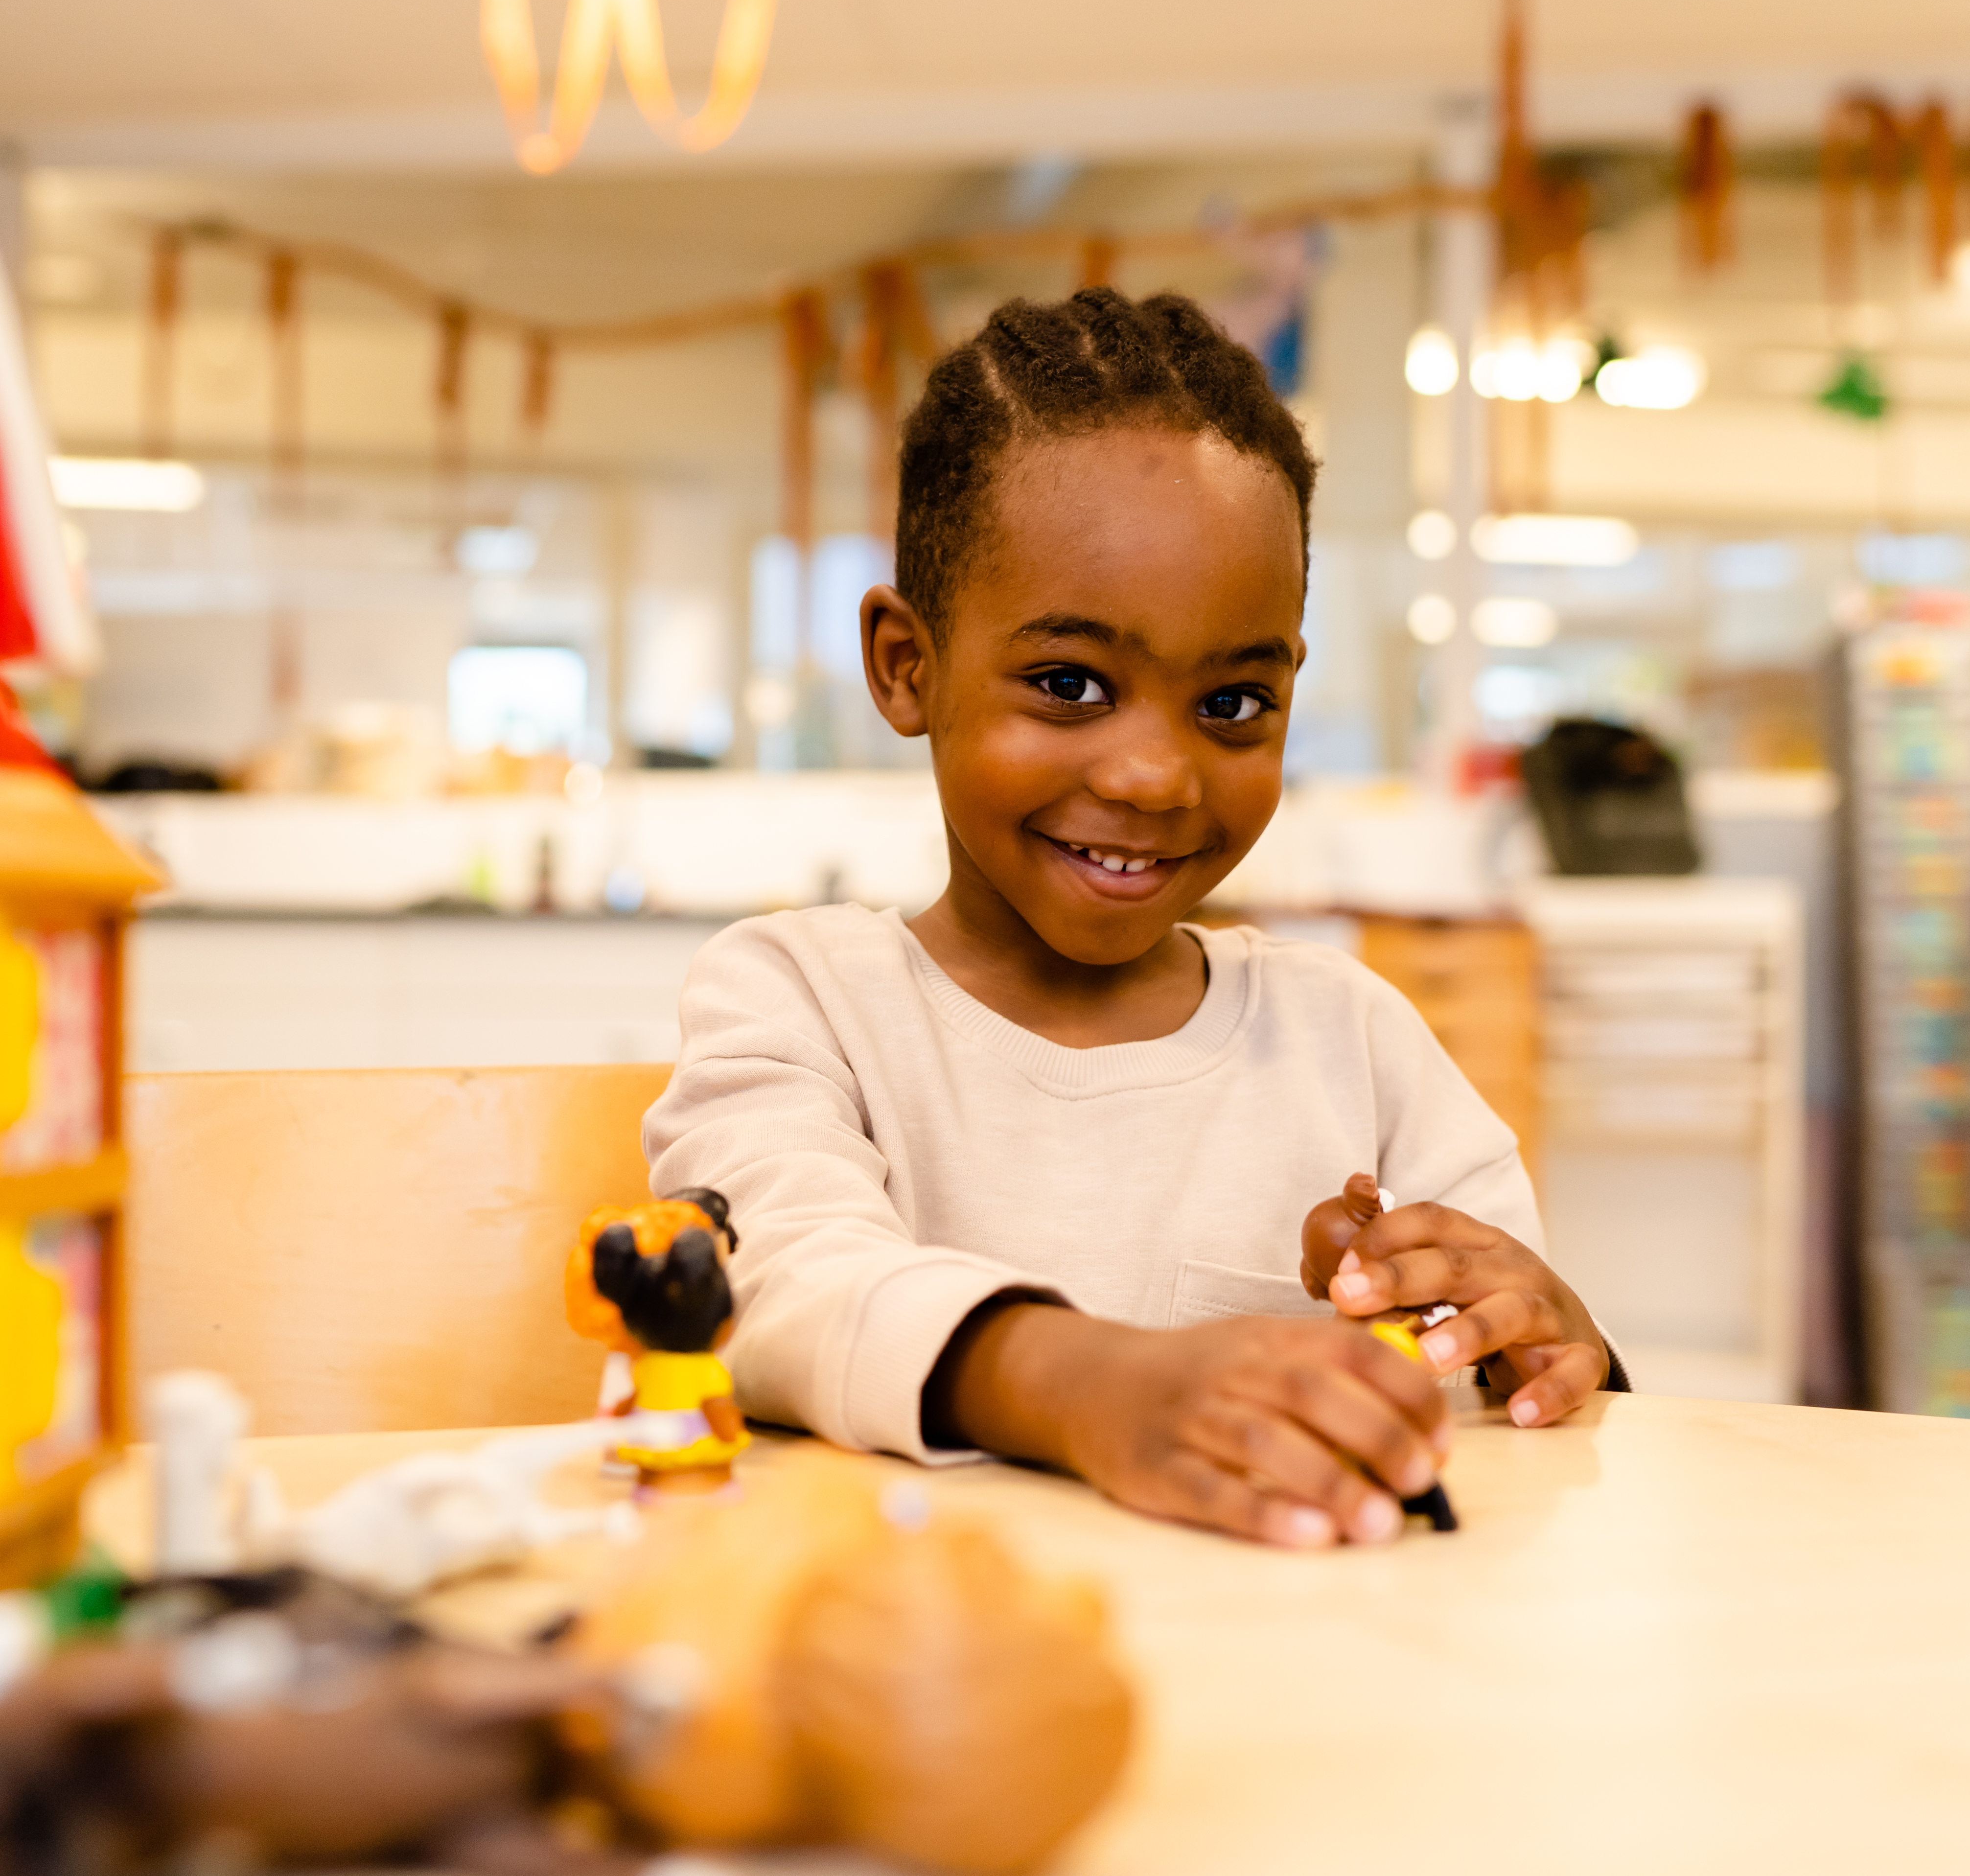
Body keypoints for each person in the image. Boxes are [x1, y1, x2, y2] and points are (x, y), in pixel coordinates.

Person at [644, 288, 1622, 1550]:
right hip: (923, 1673)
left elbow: (1516, 1415)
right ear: (907, 666)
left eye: (1231, 704)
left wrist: (1539, 1343)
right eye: (1069, 684)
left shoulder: (1351, 1038)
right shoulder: (796, 998)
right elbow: (780, 1282)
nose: (1155, 776)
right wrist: (1098, 1386)